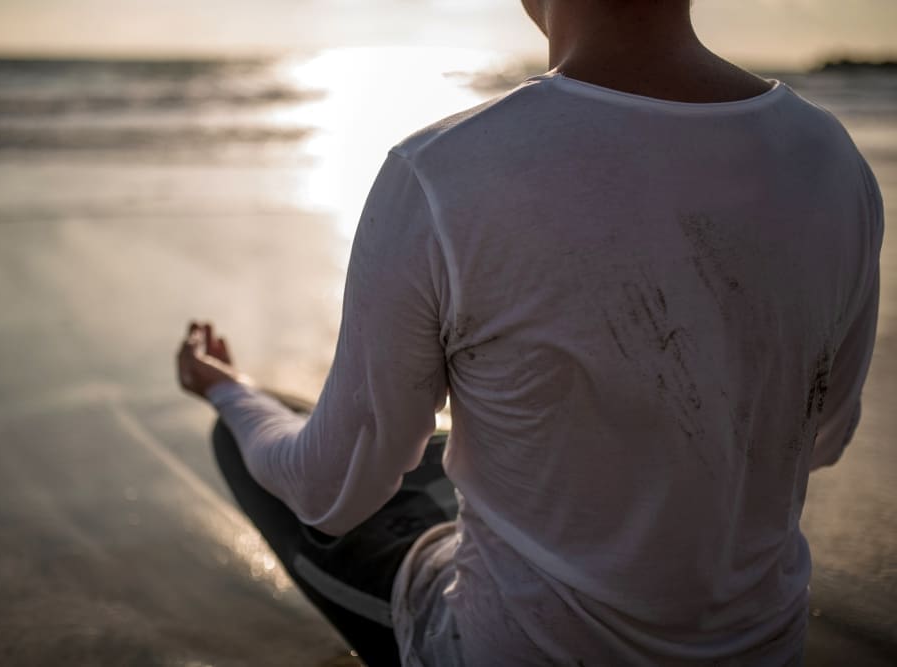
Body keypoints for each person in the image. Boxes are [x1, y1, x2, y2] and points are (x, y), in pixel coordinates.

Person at [176, 1, 884, 664]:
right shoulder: (831, 158)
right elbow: (823, 439)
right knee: (450, 453)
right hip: (761, 647)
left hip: (510, 647)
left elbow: (330, 493)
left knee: (260, 444)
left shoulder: (443, 171)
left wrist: (229, 392)